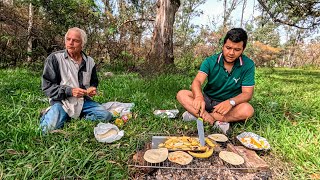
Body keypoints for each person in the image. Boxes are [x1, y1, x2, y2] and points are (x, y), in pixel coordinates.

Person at [176, 28, 255, 134]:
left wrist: (231, 102)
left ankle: (200, 116)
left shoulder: (248, 65)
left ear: (243, 49)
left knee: (248, 110)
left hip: (228, 106)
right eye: (228, 48)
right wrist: (199, 97)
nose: (231, 53)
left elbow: (247, 94)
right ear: (223, 46)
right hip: (207, 100)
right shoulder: (210, 61)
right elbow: (197, 81)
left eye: (237, 50)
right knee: (182, 94)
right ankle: (216, 119)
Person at [40, 27, 112, 133]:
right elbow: (47, 87)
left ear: (83, 43)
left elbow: (94, 81)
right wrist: (70, 91)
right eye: (68, 39)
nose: (70, 43)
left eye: (75, 40)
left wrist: (92, 88)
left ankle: (71, 118)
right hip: (62, 102)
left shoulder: (90, 61)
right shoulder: (54, 59)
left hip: (83, 102)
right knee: (47, 130)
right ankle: (51, 113)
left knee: (106, 116)